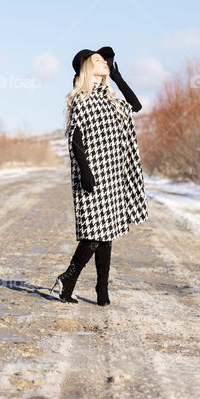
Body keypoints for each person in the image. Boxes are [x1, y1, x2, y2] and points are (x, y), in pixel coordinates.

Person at [51, 46, 148, 305]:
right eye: (98, 60)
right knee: (94, 233)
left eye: (105, 60)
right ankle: (69, 278)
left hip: (113, 173)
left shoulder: (110, 98)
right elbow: (76, 139)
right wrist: (85, 171)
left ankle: (101, 290)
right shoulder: (81, 100)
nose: (104, 62)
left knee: (108, 232)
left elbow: (136, 106)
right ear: (86, 67)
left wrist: (117, 77)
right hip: (91, 173)